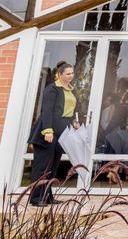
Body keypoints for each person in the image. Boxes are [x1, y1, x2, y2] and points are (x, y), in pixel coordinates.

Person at [28, 61, 79, 206]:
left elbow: (71, 110)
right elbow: (47, 111)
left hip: (61, 134)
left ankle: (47, 197)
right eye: (68, 74)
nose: (71, 76)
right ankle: (36, 198)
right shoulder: (52, 89)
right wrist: (48, 131)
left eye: (72, 73)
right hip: (47, 134)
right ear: (59, 74)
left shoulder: (70, 90)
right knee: (42, 167)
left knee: (52, 168)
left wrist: (74, 122)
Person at [104, 78, 128, 183]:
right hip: (125, 126)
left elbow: (112, 112)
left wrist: (109, 126)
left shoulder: (118, 97)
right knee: (126, 148)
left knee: (116, 149)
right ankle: (114, 172)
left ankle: (112, 171)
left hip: (115, 126)